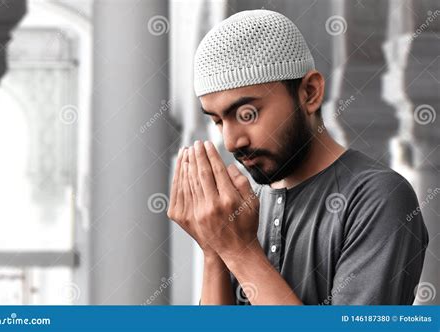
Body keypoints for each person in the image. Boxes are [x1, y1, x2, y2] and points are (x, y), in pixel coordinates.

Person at [166, 9, 429, 305]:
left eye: (246, 114)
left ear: (310, 93)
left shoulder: (378, 199)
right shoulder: (241, 210)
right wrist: (214, 250)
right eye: (217, 121)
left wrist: (240, 250)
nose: (231, 141)